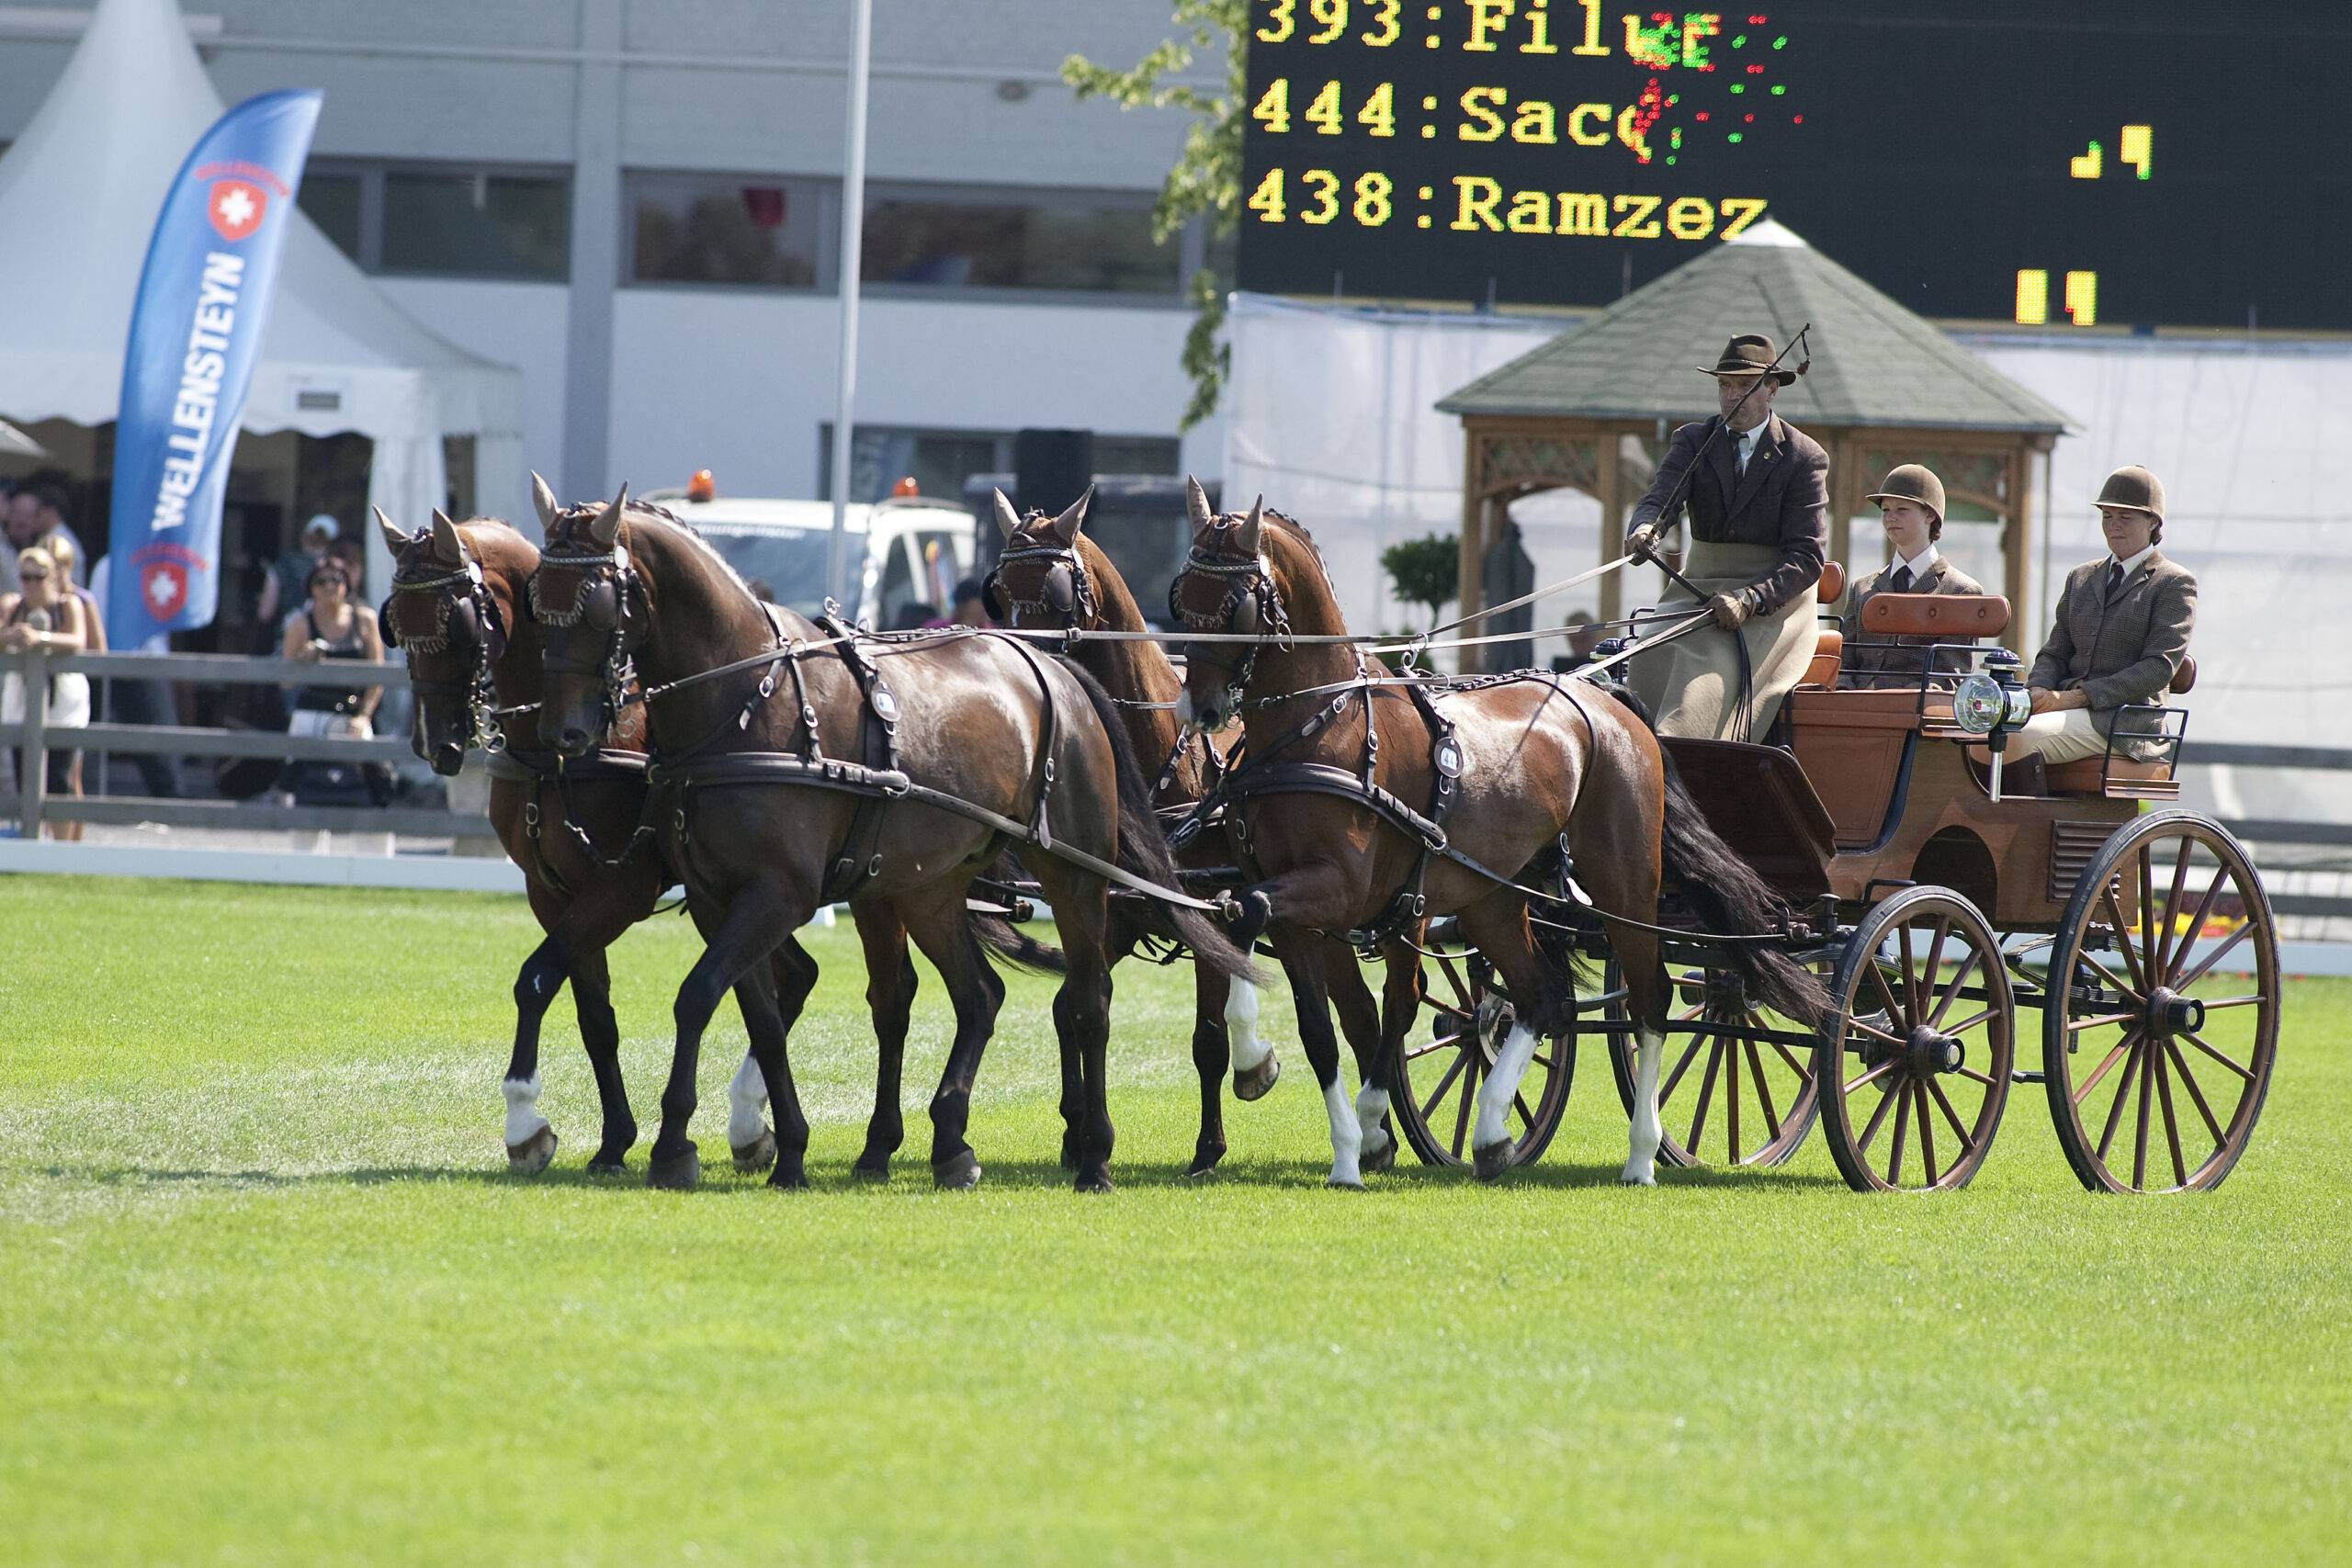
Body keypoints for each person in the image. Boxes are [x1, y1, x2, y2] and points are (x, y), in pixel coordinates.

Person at [1623, 333, 1828, 740]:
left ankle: (1682, 757)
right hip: (1696, 587)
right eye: (1724, 385)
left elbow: (1807, 557)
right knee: (1647, 656)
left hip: (1772, 603)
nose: (1732, 396)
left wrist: (1750, 599)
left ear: (1772, 389)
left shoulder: (1803, 456)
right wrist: (1645, 529)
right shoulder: (1693, 440)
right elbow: (1660, 499)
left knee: (1703, 681)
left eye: (1744, 386)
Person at [2007, 465, 2195, 767]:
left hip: (2126, 722)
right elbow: (2055, 651)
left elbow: (2158, 668)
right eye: (2107, 516)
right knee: (1983, 731)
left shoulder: (2173, 582)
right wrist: (2037, 689)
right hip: (2065, 709)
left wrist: (2077, 697)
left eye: (2125, 517)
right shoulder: (2081, 577)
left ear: (2153, 522)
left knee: (2019, 737)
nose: (2113, 526)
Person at [1837, 464, 1985, 689]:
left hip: (1919, 708)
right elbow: (1844, 664)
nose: (1891, 517)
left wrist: (1894, 695)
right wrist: (1845, 695)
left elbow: (1949, 676)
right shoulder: (1862, 588)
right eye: (1885, 510)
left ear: (1930, 515)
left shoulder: (1960, 590)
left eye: (1902, 509)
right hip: (1856, 707)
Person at [273, 558, 390, 807]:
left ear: (346, 585)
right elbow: (285, 683)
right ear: (311, 588)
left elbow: (378, 676)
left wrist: (364, 716)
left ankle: (376, 822)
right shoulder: (300, 624)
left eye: (337, 579)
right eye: (321, 581)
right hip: (312, 708)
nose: (329, 586)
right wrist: (302, 659)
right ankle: (292, 820)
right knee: (294, 775)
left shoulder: (364, 620)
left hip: (352, 708)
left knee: (375, 775)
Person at [0, 544, 93, 837]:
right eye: (25, 577)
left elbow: (78, 640)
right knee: (26, 776)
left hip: (62, 701)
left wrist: (40, 638)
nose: (31, 584)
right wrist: (12, 636)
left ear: (52, 576)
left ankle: (64, 849)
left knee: (60, 779)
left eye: (38, 577)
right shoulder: (13, 606)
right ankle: (33, 840)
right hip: (21, 700)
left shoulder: (68, 604)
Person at [85, 550, 182, 799]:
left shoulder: (161, 565)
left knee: (160, 749)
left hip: (150, 664)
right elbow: (98, 617)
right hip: (114, 663)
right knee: (87, 742)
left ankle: (169, 804)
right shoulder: (109, 565)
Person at [256, 513, 339, 629]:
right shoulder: (337, 570)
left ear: (304, 537)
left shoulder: (282, 566)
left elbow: (265, 613)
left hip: (288, 634)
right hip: (326, 636)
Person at [922, 579, 992, 630]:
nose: (985, 607)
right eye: (980, 602)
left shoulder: (992, 634)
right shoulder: (934, 629)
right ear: (962, 605)